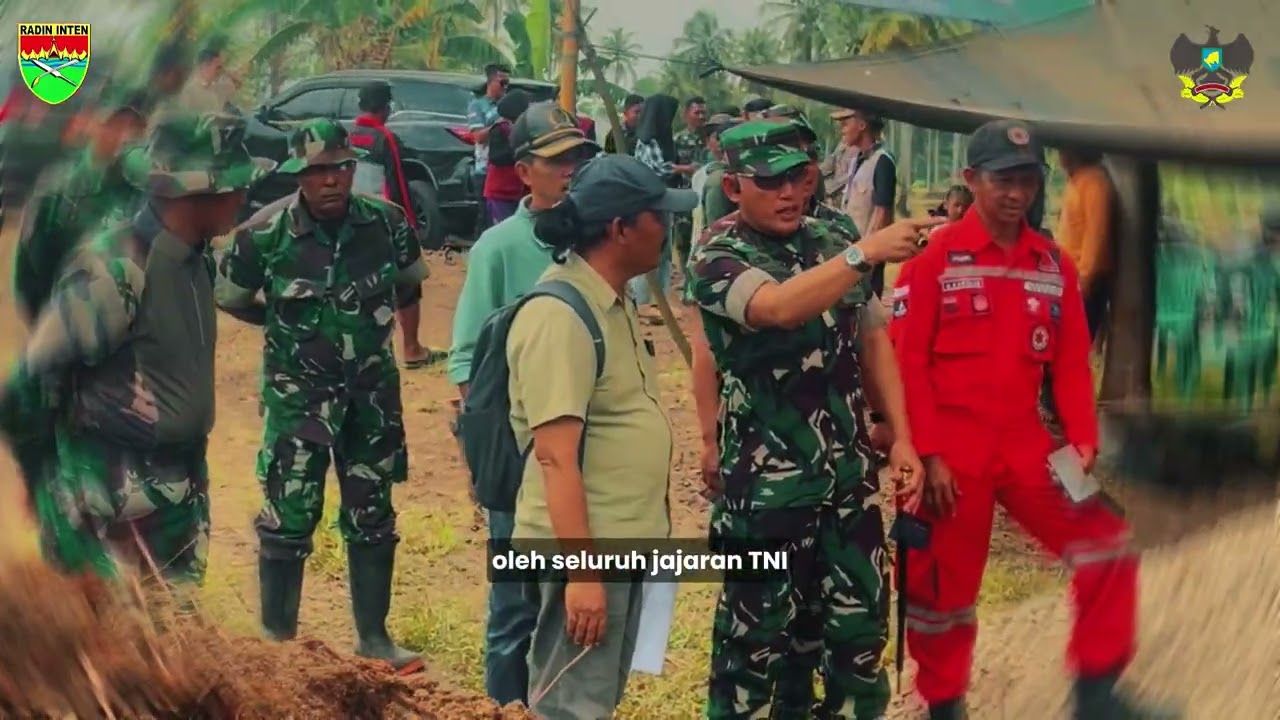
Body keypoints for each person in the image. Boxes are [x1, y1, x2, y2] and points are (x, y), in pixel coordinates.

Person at [892, 119, 1166, 720]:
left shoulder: (1053, 265)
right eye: (1003, 180)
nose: (1017, 194)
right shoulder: (934, 259)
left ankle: (1097, 694)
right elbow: (907, 364)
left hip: (1032, 446)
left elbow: (1068, 364)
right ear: (971, 179)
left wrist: (1084, 440)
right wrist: (930, 454)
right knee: (944, 592)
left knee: (1107, 545)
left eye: (1028, 180)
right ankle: (945, 705)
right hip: (953, 453)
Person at [687, 118, 938, 720]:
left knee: (855, 641)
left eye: (799, 177)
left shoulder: (829, 233)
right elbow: (775, 307)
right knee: (753, 654)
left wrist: (899, 434)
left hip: (847, 486)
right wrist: (865, 253)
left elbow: (873, 337)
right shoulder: (717, 253)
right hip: (766, 495)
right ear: (733, 185)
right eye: (770, 181)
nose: (790, 194)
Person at [0, 111, 273, 586]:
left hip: (175, 504)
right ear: (195, 192)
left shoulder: (194, 258)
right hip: (107, 516)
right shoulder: (115, 270)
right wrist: (50, 496)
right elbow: (24, 389)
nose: (243, 195)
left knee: (176, 650)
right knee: (107, 654)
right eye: (233, 184)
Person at [213, 119, 426, 673]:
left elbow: (409, 280)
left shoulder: (387, 223)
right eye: (316, 171)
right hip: (298, 398)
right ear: (298, 176)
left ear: (352, 168)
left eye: (338, 167)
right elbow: (232, 296)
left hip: (371, 398)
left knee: (374, 511)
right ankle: (277, 644)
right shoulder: (263, 233)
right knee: (288, 515)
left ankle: (374, 639)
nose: (329, 180)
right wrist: (289, 332)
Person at [507, 154, 695, 719]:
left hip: (621, 540)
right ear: (620, 229)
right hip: (586, 549)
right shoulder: (560, 316)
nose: (668, 228)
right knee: (570, 707)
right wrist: (583, 574)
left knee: (595, 697)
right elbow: (555, 457)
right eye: (658, 216)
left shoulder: (611, 303)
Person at [447, 101, 599, 706]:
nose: (570, 171)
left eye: (577, 158)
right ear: (523, 169)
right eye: (557, 160)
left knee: (577, 597)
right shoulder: (499, 248)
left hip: (588, 444)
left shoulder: (597, 237)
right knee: (514, 603)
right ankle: (503, 706)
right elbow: (467, 361)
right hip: (522, 449)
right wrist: (486, 459)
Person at [348, 80, 444, 369]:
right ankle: (412, 350)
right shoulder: (383, 137)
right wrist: (409, 224)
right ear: (385, 107)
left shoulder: (349, 134)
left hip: (351, 216)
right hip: (383, 218)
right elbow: (398, 183)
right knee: (408, 284)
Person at [631, 94, 696, 320]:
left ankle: (658, 300)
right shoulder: (649, 140)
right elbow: (658, 169)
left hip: (662, 198)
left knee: (664, 252)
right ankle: (642, 302)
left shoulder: (656, 137)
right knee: (651, 249)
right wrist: (684, 168)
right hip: (652, 200)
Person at [1055, 147, 1115, 339]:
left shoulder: (1093, 181)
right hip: (1066, 278)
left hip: (1083, 282)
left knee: (1071, 345)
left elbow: (1096, 234)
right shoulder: (1077, 180)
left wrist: (1083, 282)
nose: (1059, 156)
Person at [841, 109, 896, 299]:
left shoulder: (882, 161)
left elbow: (883, 213)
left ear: (862, 126)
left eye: (846, 123)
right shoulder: (857, 159)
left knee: (869, 306)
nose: (843, 129)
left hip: (868, 253)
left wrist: (870, 254)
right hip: (851, 249)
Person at [467, 63, 511, 221]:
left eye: (508, 83)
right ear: (491, 82)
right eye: (502, 83)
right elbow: (478, 137)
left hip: (507, 170)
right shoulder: (478, 105)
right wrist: (499, 125)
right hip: (485, 170)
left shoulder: (509, 104)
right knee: (485, 217)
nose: (505, 87)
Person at [672, 96, 709, 263]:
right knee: (683, 238)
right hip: (686, 194)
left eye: (703, 112)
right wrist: (686, 169)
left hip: (707, 194)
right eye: (697, 112)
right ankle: (686, 276)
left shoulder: (711, 138)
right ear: (686, 115)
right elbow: (671, 166)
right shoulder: (678, 139)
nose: (701, 116)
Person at [176, 35, 239, 113]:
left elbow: (236, 85)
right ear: (205, 65)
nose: (221, 71)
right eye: (218, 67)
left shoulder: (219, 86)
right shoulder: (188, 92)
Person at [823, 109, 857, 202]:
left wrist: (828, 189)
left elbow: (850, 175)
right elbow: (829, 164)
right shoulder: (843, 143)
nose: (841, 129)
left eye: (845, 123)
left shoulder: (862, 150)